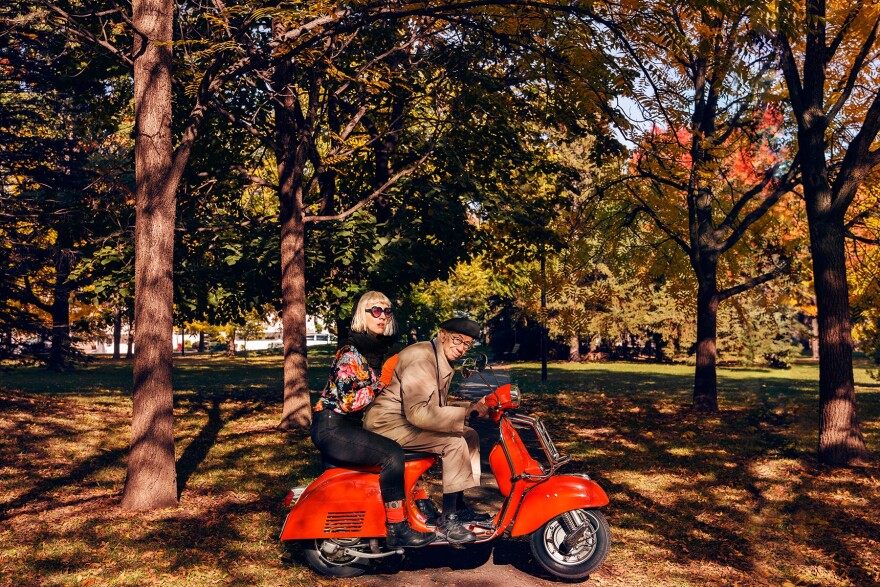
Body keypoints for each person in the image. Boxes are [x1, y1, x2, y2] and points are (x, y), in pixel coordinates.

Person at [310, 291, 435, 549]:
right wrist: (383, 382)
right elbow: (348, 401)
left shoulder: (377, 349)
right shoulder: (350, 351)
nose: (382, 316)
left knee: (413, 443)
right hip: (333, 426)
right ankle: (397, 528)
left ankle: (421, 506)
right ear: (362, 315)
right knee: (391, 454)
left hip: (350, 425)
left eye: (386, 311)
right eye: (375, 311)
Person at [364, 317, 492, 544]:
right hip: (389, 424)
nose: (461, 348)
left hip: (405, 420)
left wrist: (469, 412)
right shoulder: (421, 358)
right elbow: (418, 413)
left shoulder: (438, 356)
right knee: (454, 443)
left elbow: (433, 407)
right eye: (457, 340)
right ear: (442, 335)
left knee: (468, 435)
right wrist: (465, 412)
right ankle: (448, 520)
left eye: (467, 344)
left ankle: (459, 506)